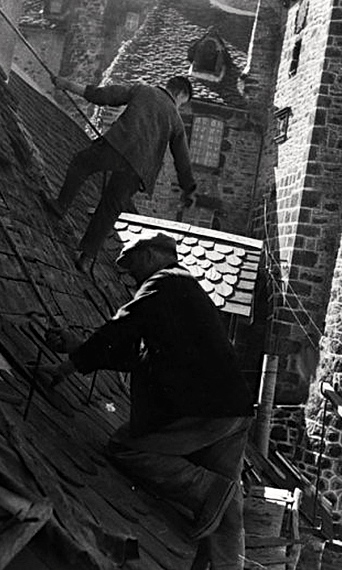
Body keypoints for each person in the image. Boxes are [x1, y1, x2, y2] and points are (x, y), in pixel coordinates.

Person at [43, 232, 255, 569]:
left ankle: (206, 490)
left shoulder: (163, 283)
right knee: (228, 508)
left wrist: (68, 366)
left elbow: (119, 331)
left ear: (152, 255)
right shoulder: (185, 290)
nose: (132, 276)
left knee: (127, 447)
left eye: (133, 264)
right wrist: (76, 349)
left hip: (204, 412)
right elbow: (137, 355)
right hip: (233, 410)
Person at [41, 75, 197, 273]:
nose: (181, 105)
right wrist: (189, 189)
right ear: (181, 94)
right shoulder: (176, 120)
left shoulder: (143, 90)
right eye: (184, 101)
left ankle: (60, 205)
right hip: (139, 170)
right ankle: (86, 256)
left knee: (81, 163)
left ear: (169, 85)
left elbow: (105, 95)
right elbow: (182, 158)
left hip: (116, 147)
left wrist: (67, 85)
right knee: (111, 207)